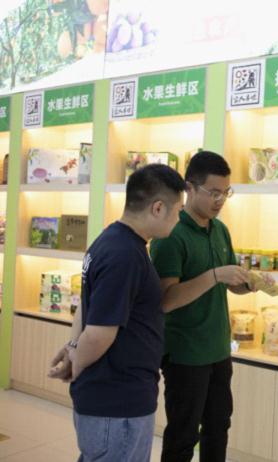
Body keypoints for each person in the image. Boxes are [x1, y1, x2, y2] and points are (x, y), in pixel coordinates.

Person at [47, 164, 186, 462]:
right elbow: (99, 333)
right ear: (158, 208)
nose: (179, 220)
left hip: (110, 399)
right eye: (178, 211)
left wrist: (73, 349)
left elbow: (88, 307)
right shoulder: (125, 255)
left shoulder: (110, 239)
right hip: (117, 403)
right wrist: (77, 364)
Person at [150, 151, 274, 462]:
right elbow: (165, 300)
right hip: (185, 353)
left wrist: (250, 283)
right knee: (182, 436)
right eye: (214, 192)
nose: (220, 201)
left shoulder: (220, 230)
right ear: (190, 188)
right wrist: (215, 275)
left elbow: (229, 283)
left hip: (218, 348)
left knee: (218, 428)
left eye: (226, 193)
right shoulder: (170, 234)